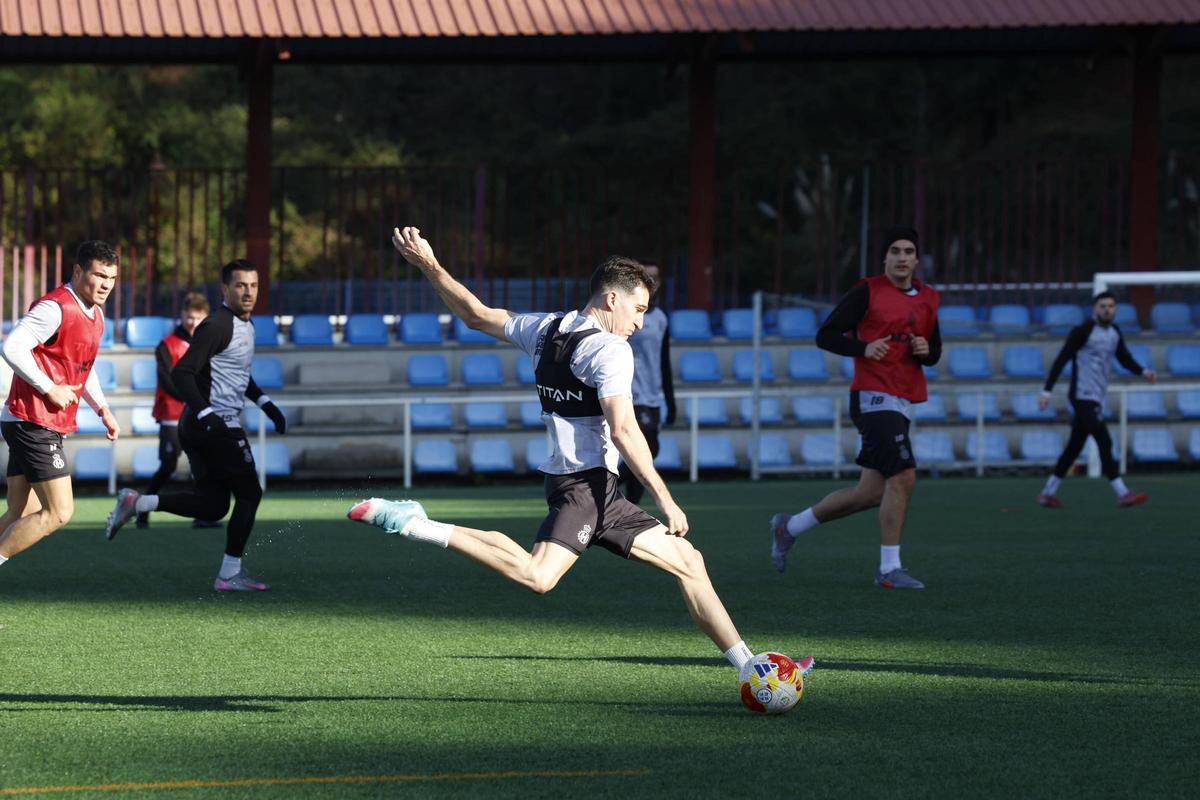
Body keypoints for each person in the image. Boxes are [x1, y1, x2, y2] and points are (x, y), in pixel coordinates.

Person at [349, 226, 812, 679]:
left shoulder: (545, 328)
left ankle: (751, 667)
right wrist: (666, 499)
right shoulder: (611, 351)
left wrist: (430, 265)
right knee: (538, 576)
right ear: (612, 299)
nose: (641, 323)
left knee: (689, 562)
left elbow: (475, 315)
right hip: (583, 487)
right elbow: (626, 430)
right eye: (638, 309)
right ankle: (416, 522)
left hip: (597, 489)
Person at [769, 225, 940, 589]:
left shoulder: (928, 298)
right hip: (873, 397)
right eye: (895, 251)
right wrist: (862, 348)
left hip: (904, 398)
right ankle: (888, 570)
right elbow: (826, 334)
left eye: (909, 251)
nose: (902, 257)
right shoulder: (867, 291)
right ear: (885, 257)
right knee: (904, 474)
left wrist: (928, 352)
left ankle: (790, 527)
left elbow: (933, 350)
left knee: (871, 493)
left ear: (917, 258)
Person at [105, 259, 286, 591]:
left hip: (205, 425)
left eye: (254, 285)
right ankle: (229, 575)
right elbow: (182, 372)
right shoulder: (217, 324)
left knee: (214, 505)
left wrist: (265, 404)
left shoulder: (247, 325)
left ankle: (139, 503)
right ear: (224, 289)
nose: (248, 292)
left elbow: (237, 375)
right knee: (250, 493)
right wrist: (207, 413)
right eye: (240, 285)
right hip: (213, 426)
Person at [0, 241, 121, 567]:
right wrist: (49, 387)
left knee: (18, 511)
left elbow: (83, 366)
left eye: (111, 277)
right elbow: (11, 347)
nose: (106, 284)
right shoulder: (55, 308)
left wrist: (102, 408)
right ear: (78, 271)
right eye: (99, 275)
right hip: (32, 421)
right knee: (59, 512)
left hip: (30, 422)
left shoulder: (95, 314)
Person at [1036, 292, 1155, 509]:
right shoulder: (1082, 331)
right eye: (1103, 306)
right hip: (1082, 395)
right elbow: (1062, 359)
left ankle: (1047, 493)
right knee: (1104, 440)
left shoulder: (1115, 333)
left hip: (1096, 397)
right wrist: (1046, 392)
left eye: (1111, 306)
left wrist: (1143, 371)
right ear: (1095, 309)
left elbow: (1124, 358)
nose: (1107, 310)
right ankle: (1123, 493)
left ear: (1115, 309)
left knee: (1074, 447)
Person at [136, 291, 220, 530]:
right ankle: (141, 508)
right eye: (189, 317)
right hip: (172, 415)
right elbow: (166, 380)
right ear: (182, 315)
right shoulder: (167, 345)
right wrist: (192, 399)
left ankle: (202, 515)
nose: (193, 322)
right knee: (169, 465)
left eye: (198, 317)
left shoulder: (208, 344)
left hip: (198, 414)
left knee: (202, 465)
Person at [618, 262, 675, 504]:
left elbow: (664, 361)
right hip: (629, 393)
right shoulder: (623, 313)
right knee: (647, 450)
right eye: (645, 278)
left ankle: (616, 499)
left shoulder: (661, 318)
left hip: (651, 395)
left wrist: (671, 401)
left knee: (646, 453)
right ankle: (627, 504)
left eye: (654, 277)